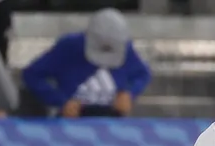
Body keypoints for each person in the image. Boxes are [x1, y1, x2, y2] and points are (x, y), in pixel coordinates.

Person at [21, 7, 151, 118]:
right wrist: (60, 101)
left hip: (112, 118)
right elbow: (32, 74)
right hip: (73, 118)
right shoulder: (68, 46)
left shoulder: (125, 49)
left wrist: (129, 93)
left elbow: (143, 73)